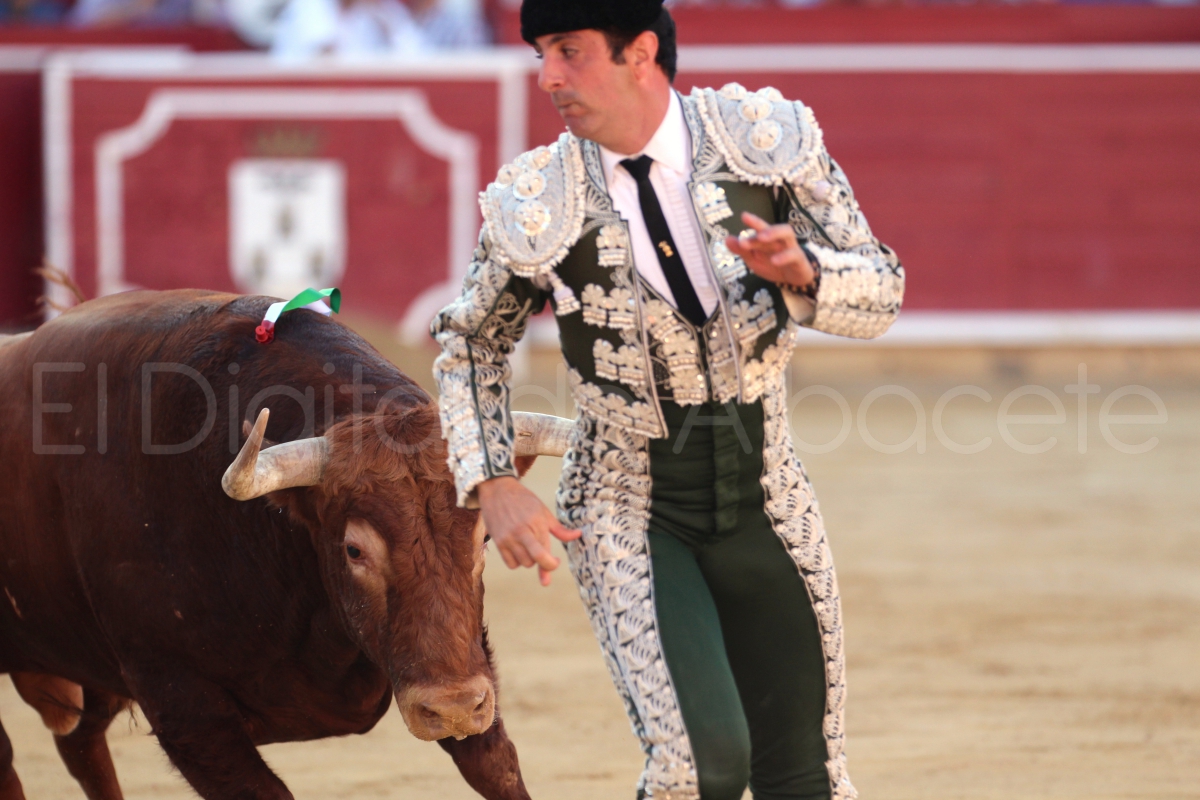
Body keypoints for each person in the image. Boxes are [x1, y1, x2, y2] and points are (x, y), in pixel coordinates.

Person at [431, 1, 904, 797]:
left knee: (808, 773)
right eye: (543, 52)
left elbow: (882, 288)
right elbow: (471, 342)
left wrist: (809, 276)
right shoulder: (537, 197)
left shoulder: (766, 139)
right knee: (698, 767)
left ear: (640, 51)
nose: (548, 76)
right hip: (628, 506)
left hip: (768, 492)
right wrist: (493, 482)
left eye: (570, 51)